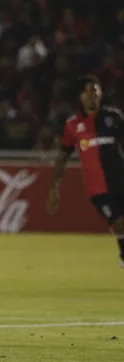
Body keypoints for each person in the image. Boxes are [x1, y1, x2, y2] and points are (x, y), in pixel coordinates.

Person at [47, 75, 124, 269]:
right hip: (97, 188)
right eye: (87, 91)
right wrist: (54, 187)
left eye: (95, 91)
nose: (91, 95)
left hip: (121, 180)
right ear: (80, 96)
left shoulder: (114, 118)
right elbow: (63, 156)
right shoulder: (72, 125)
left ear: (101, 94)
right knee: (117, 222)